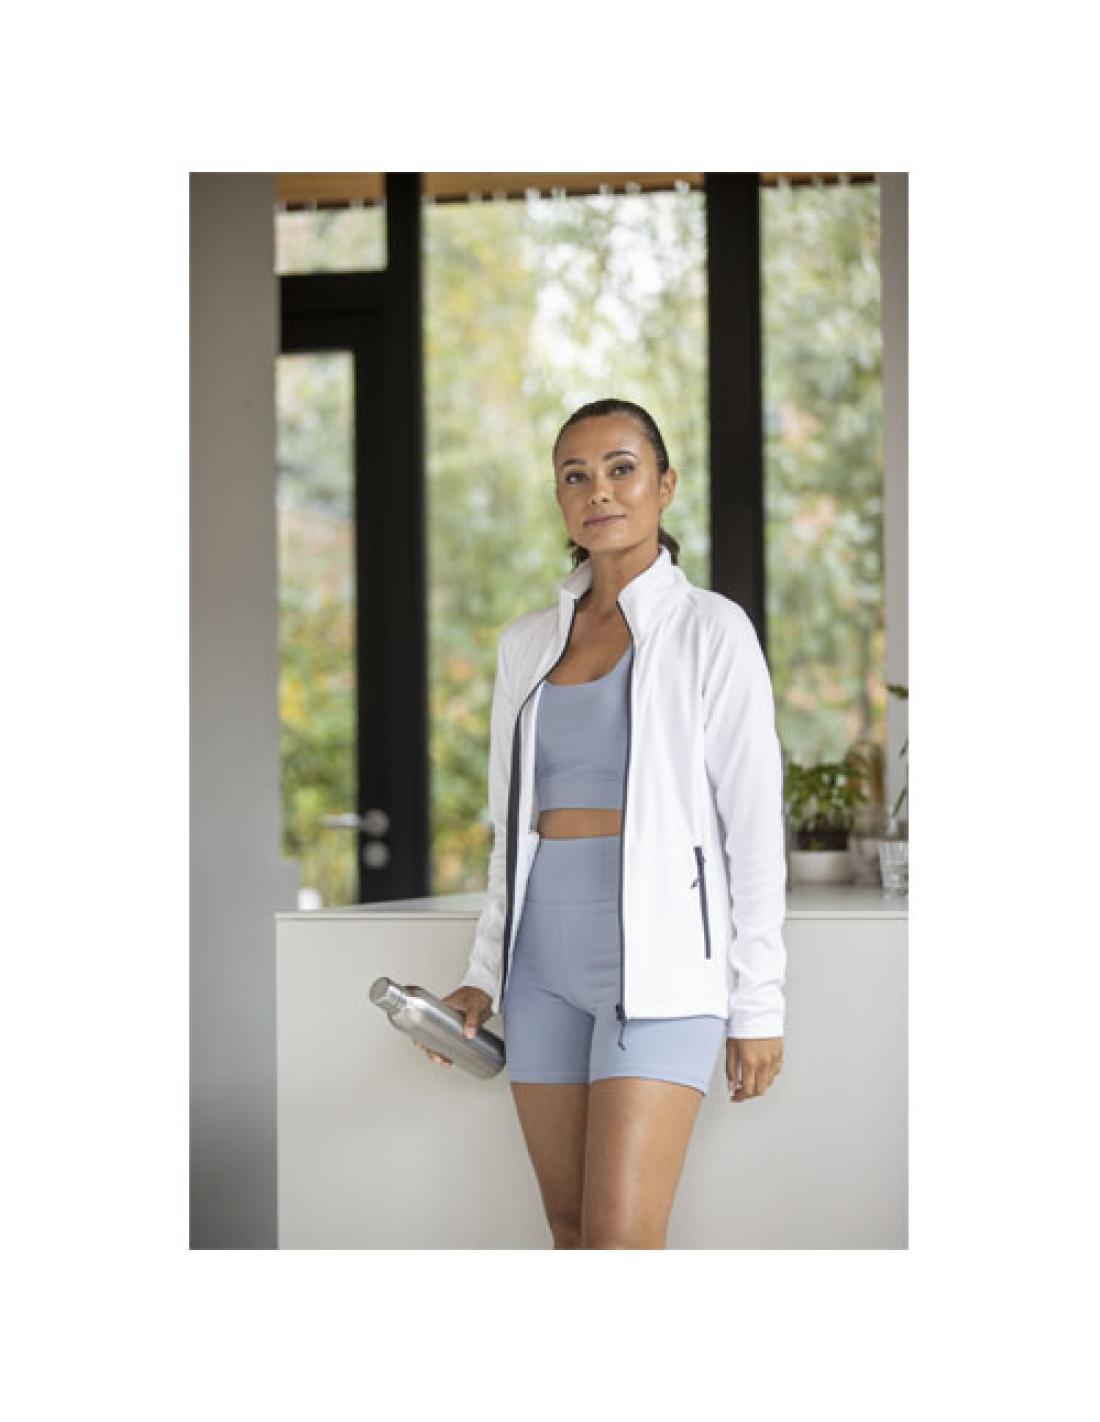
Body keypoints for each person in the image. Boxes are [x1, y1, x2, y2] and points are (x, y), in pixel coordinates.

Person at [419, 398, 787, 1249]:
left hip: (663, 970)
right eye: (575, 476)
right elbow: (511, 829)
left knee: (620, 1242)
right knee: (572, 1230)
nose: (600, 491)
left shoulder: (712, 631)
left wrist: (759, 1003)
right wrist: (483, 972)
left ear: (665, 484)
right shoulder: (526, 646)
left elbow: (752, 828)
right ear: (559, 498)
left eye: (622, 468)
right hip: (540, 969)